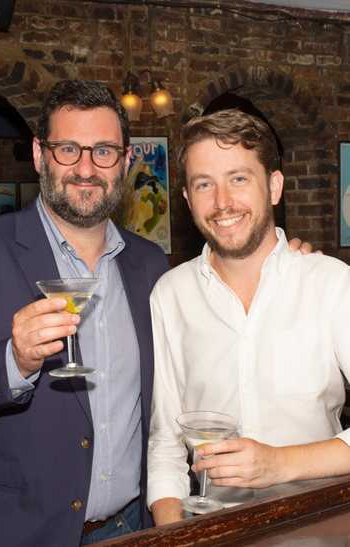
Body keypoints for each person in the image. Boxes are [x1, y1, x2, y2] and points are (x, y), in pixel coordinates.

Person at [0, 79, 169, 547]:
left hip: (126, 529)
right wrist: (13, 361)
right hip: (3, 533)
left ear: (126, 161)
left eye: (103, 151)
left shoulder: (150, 264)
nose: (86, 168)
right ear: (40, 155)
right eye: (68, 149)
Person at [147, 108, 350, 526]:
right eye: (205, 184)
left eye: (239, 179)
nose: (222, 203)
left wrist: (279, 464)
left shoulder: (331, 284)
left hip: (321, 524)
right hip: (213, 530)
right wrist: (173, 534)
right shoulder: (171, 294)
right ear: (187, 199)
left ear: (274, 186)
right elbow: (166, 442)